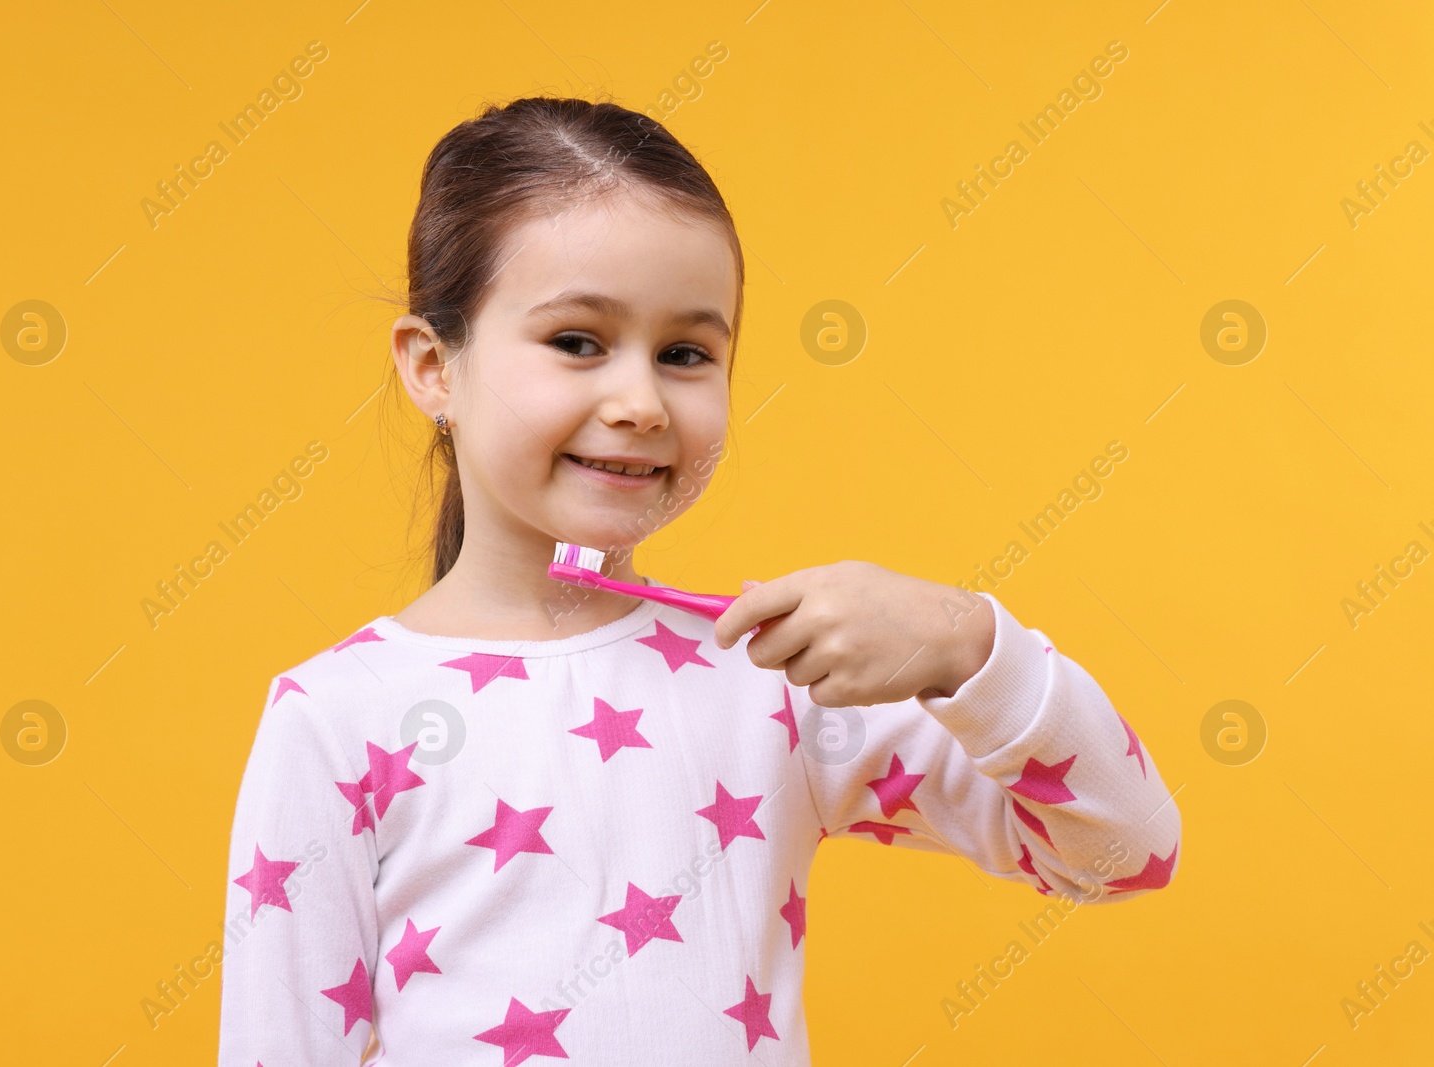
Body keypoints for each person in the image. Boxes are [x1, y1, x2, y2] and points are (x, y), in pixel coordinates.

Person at [217, 95, 1180, 1065]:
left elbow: (1122, 852)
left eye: (686, 354)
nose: (638, 402)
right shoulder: (335, 717)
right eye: (577, 341)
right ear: (433, 367)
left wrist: (968, 640)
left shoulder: (771, 682)